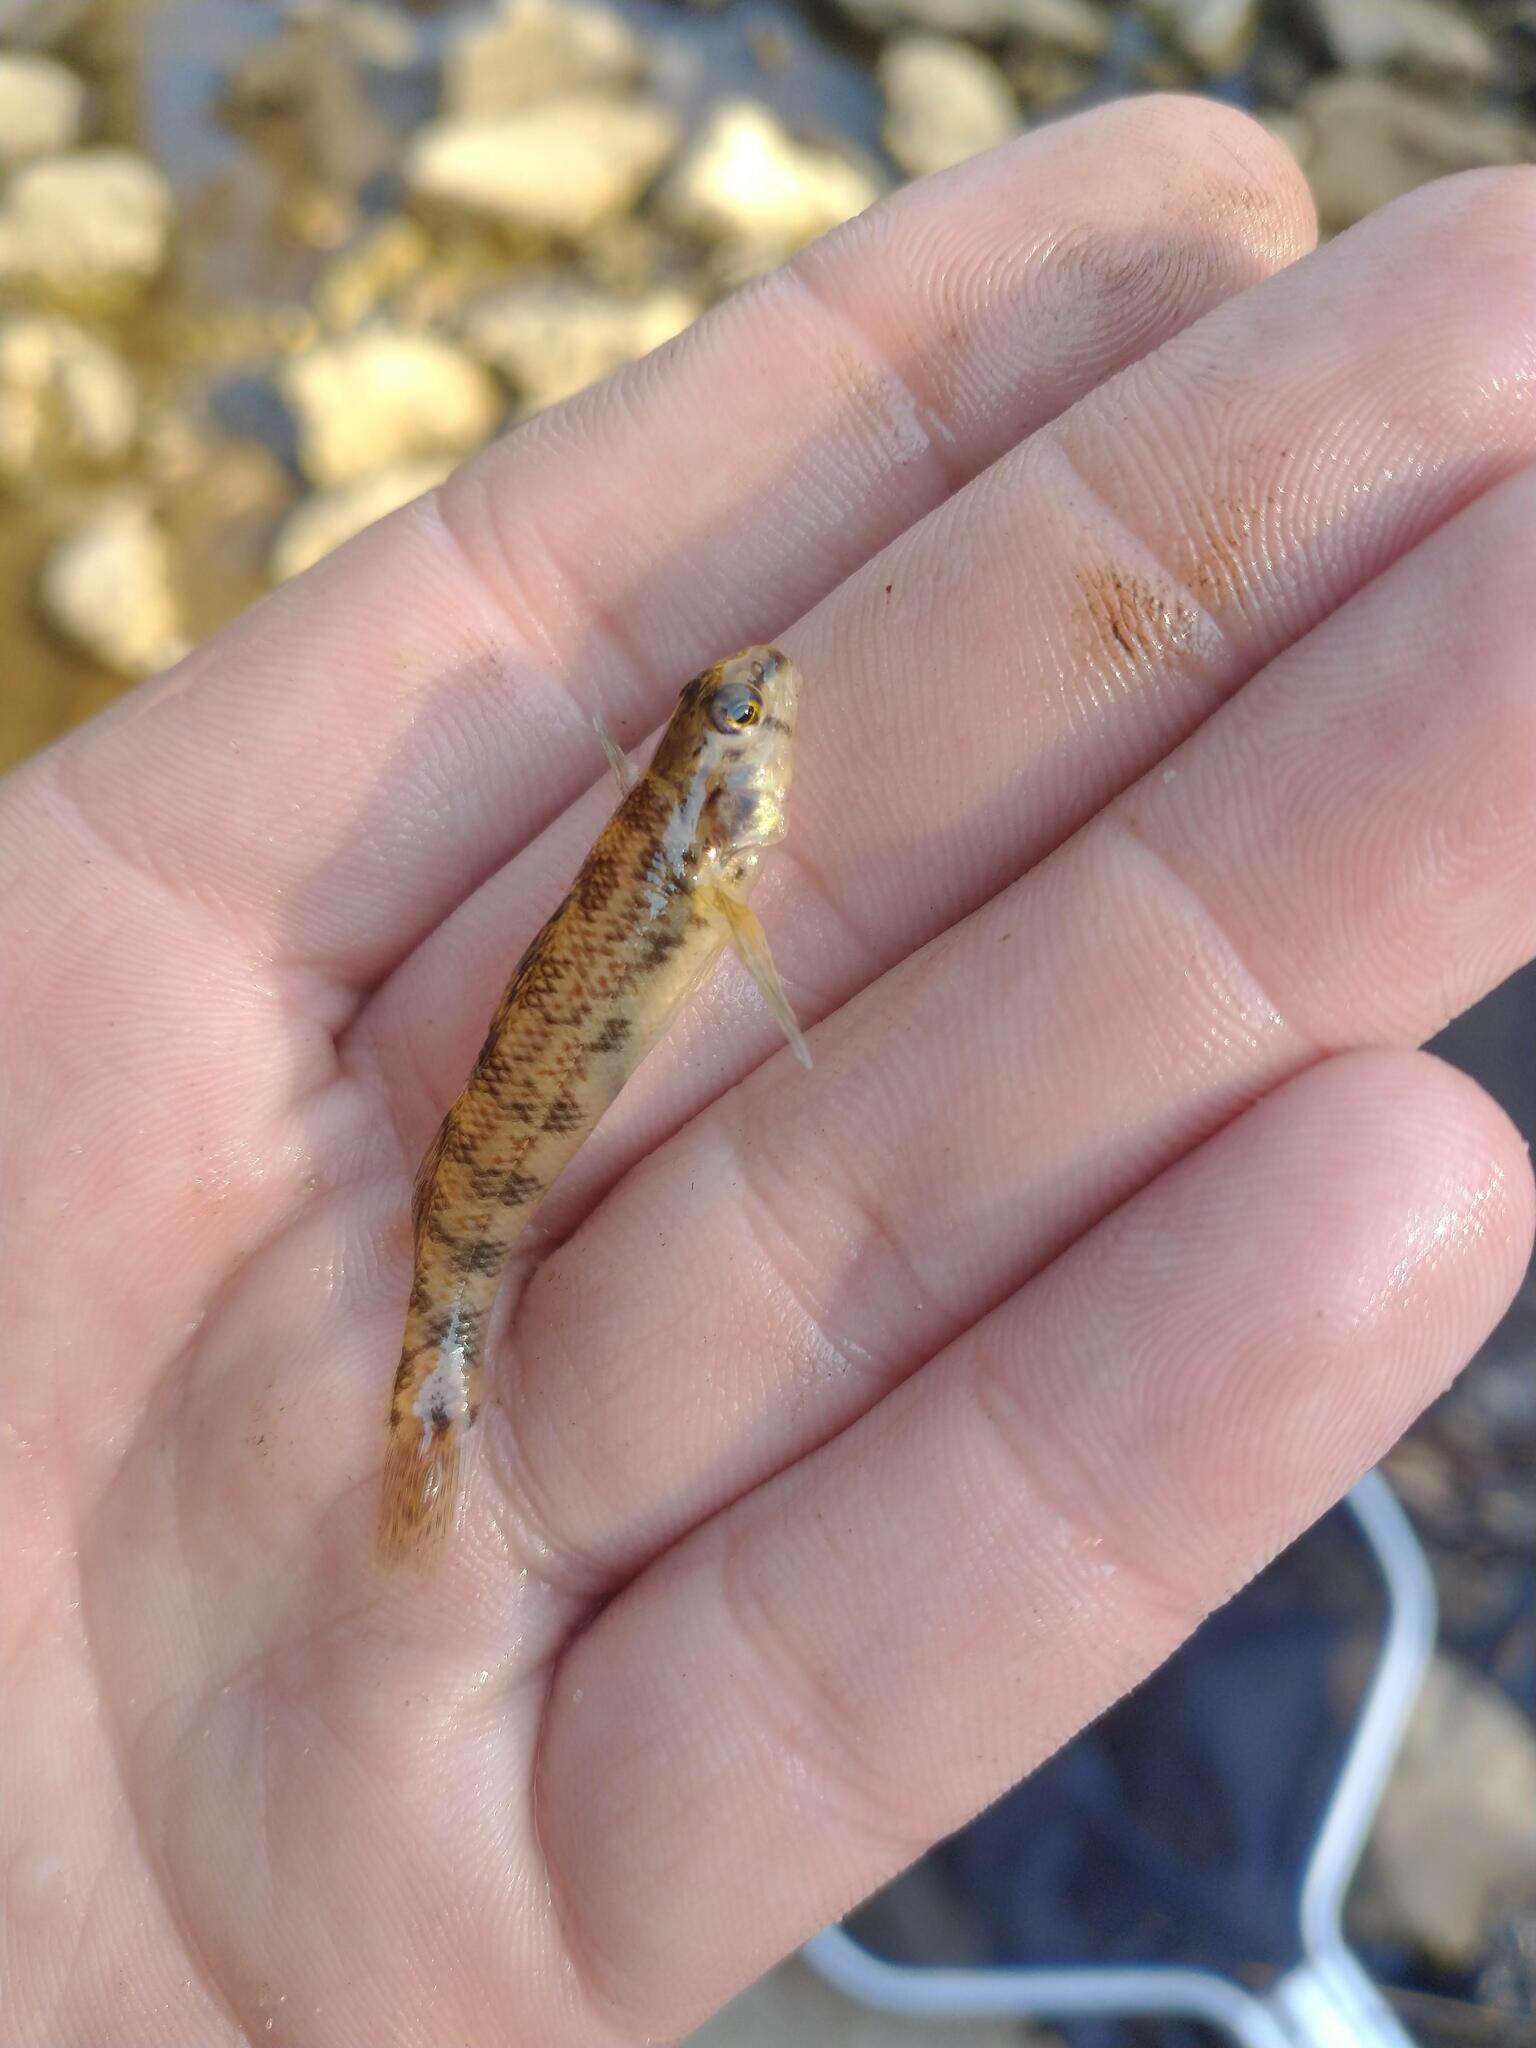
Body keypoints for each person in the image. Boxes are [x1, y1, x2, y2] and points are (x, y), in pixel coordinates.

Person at [3, 92, 1534, 2048]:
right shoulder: (700, 868)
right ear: (721, 823)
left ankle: (438, 1377)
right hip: (493, 1174)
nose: (765, 713)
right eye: (739, 740)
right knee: (458, 1291)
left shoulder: (704, 853)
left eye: (735, 735)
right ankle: (433, 1392)